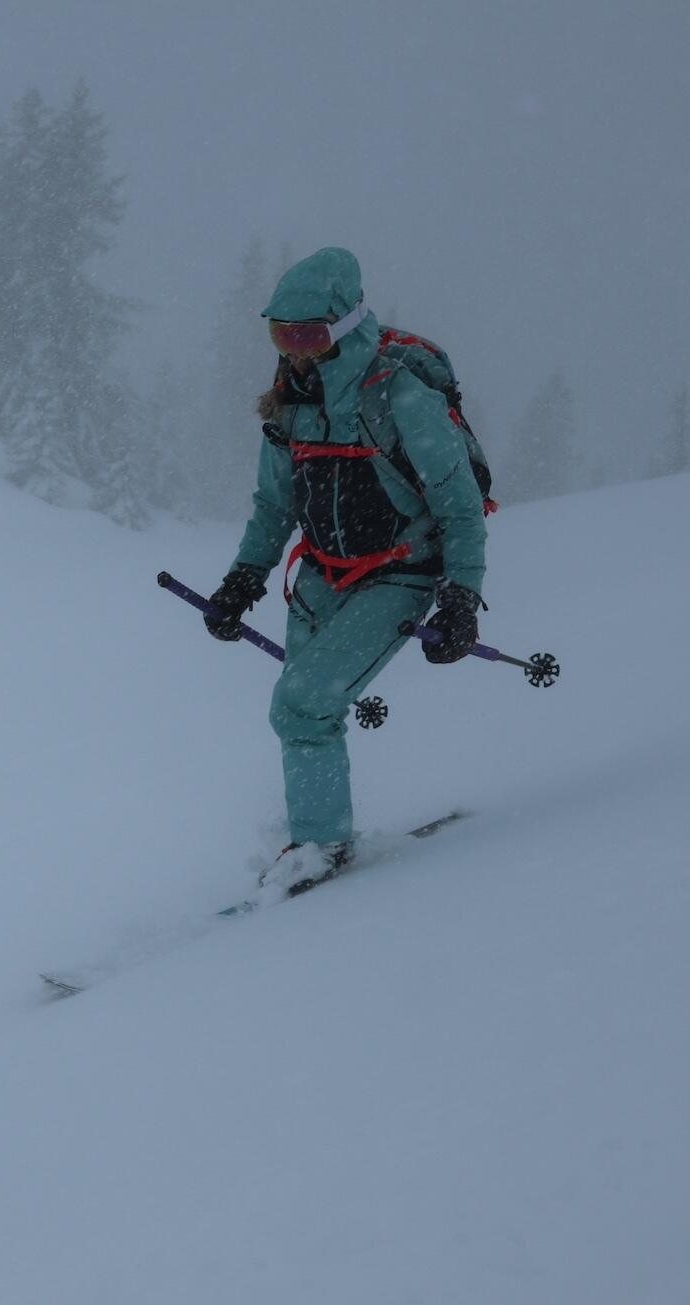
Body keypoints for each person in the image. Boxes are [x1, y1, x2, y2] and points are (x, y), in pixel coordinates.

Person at [203, 246, 487, 898]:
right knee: (302, 711)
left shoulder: (402, 398)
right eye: (281, 335)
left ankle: (321, 846)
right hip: (320, 577)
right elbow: (274, 505)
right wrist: (242, 581)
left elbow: (460, 508)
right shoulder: (291, 403)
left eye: (309, 336)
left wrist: (461, 598)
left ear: (346, 326)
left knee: (302, 704)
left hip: (399, 574)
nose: (295, 350)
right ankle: (317, 835)